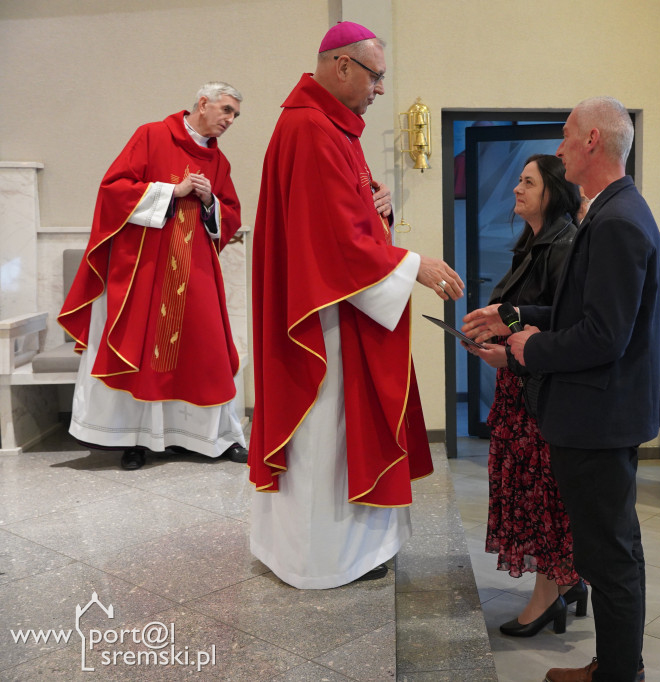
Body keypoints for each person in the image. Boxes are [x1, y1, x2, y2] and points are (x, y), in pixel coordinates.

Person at [463, 97, 660, 682]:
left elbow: (604, 334)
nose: (559, 148)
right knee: (608, 550)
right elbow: (579, 306)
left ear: (591, 140)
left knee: (609, 557)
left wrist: (528, 347)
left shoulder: (616, 220)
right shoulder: (612, 209)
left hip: (600, 410)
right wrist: (513, 315)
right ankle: (614, 664)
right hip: (602, 406)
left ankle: (617, 674)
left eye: (564, 137)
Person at [248, 21, 464, 589]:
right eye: (376, 77)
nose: (381, 90)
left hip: (336, 306)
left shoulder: (327, 126)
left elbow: (343, 223)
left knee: (341, 434)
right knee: (328, 434)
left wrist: (379, 212)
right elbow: (336, 246)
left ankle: (352, 549)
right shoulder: (313, 130)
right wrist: (415, 264)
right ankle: (324, 557)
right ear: (342, 66)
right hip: (324, 320)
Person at [58, 82, 248, 471]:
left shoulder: (219, 162)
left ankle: (210, 438)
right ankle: (135, 440)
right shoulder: (151, 135)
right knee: (142, 352)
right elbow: (113, 191)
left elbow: (229, 215)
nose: (230, 120)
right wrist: (171, 191)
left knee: (206, 349)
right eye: (226, 110)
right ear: (202, 103)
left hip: (194, 270)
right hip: (144, 268)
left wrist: (211, 201)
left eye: (235, 115)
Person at [464, 154, 586, 638]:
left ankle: (550, 593)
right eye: (517, 179)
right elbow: (523, 316)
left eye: (527, 182)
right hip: (519, 388)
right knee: (526, 489)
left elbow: (562, 320)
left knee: (544, 495)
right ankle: (564, 580)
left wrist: (508, 344)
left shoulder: (565, 243)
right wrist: (492, 336)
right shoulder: (533, 241)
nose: (516, 188)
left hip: (542, 391)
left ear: (552, 192)